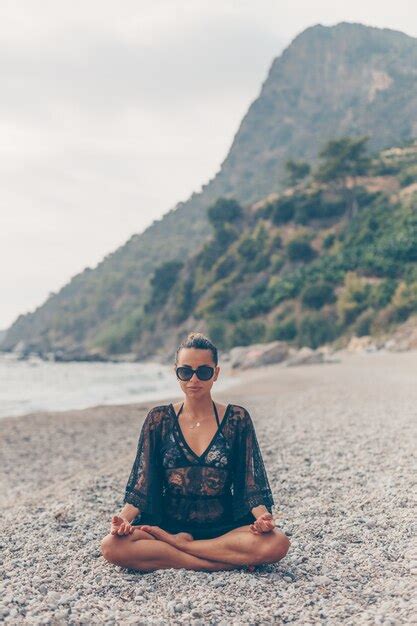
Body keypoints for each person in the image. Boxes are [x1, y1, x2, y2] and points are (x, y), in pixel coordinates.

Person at [101, 332, 290, 572]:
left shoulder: (237, 419)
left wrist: (263, 518)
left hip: (223, 528)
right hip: (169, 525)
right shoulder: (158, 420)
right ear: (176, 372)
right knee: (111, 546)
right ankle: (218, 562)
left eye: (203, 372)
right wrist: (122, 521)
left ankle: (180, 550)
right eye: (185, 371)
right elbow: (143, 485)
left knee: (278, 543)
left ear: (216, 374)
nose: (194, 380)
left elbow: (249, 484)